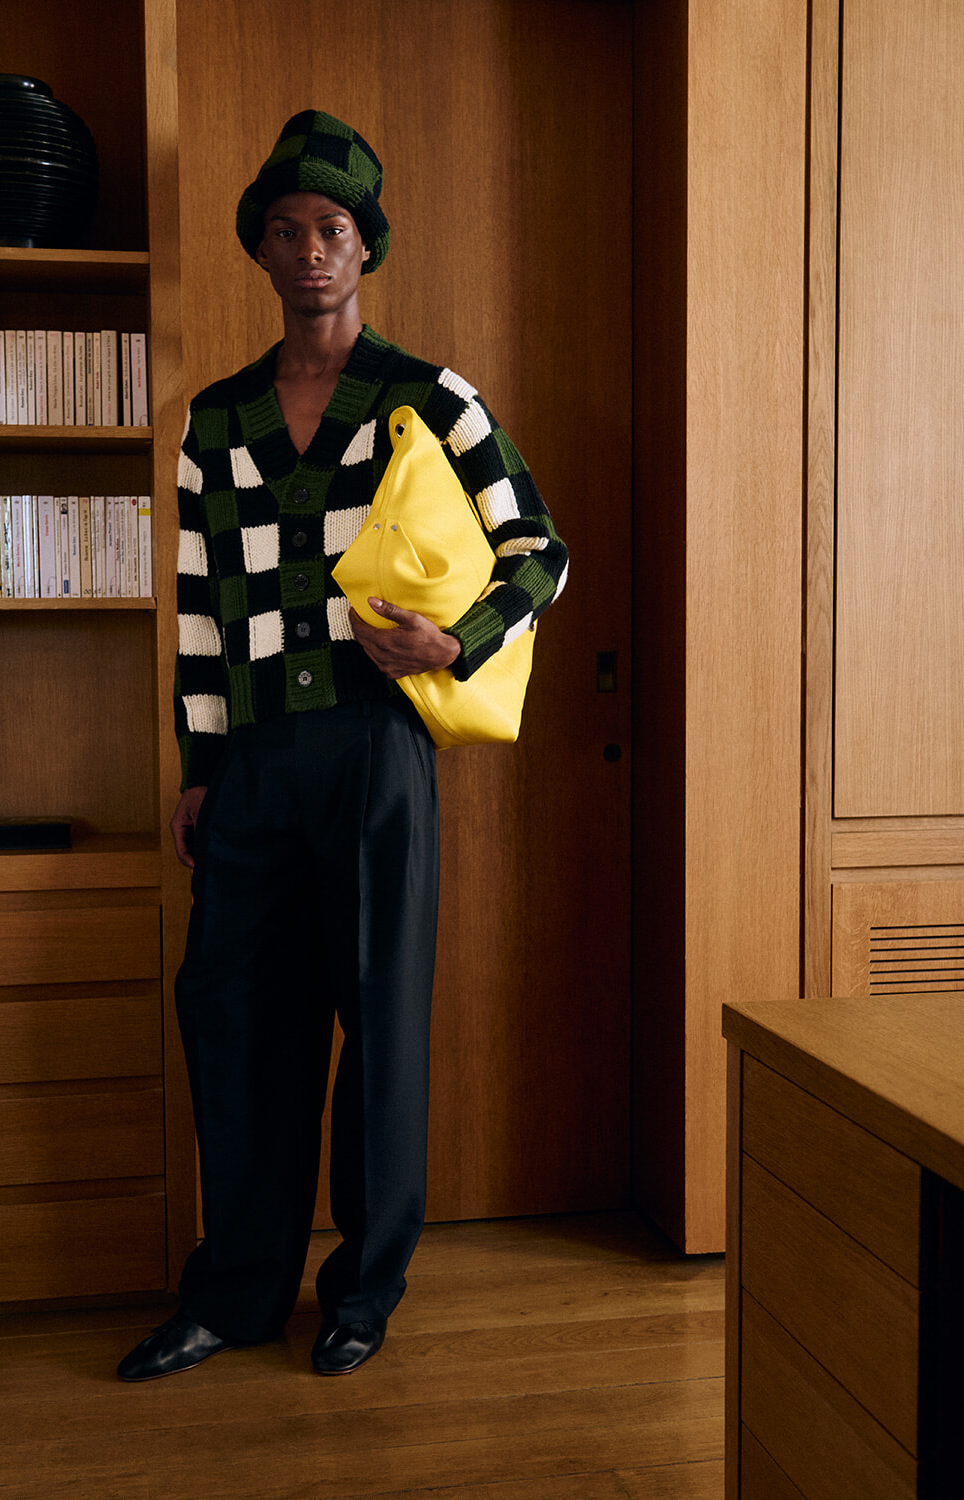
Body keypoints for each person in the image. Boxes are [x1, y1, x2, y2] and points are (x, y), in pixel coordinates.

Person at [117, 110, 567, 1382]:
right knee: (239, 1018)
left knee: (380, 1020)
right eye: (286, 231)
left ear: (365, 246)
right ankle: (235, 1292)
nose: (310, 249)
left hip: (375, 756)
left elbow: (542, 550)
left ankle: (364, 1291)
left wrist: (455, 642)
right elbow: (203, 609)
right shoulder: (217, 420)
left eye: (332, 229)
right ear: (261, 250)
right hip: (254, 763)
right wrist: (199, 768)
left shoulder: (431, 396)